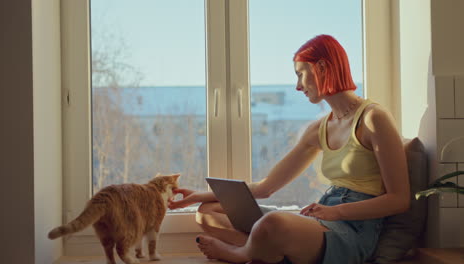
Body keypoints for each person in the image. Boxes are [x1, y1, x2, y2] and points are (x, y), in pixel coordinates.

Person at [168, 34, 410, 264]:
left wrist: (336, 213)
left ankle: (241, 254)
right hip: (320, 218)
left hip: (353, 229)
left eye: (300, 74)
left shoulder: (373, 118)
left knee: (274, 224)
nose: (297, 86)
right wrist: (201, 195)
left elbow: (399, 200)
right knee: (208, 212)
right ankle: (269, 252)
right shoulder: (319, 129)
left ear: (323, 68)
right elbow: (266, 187)